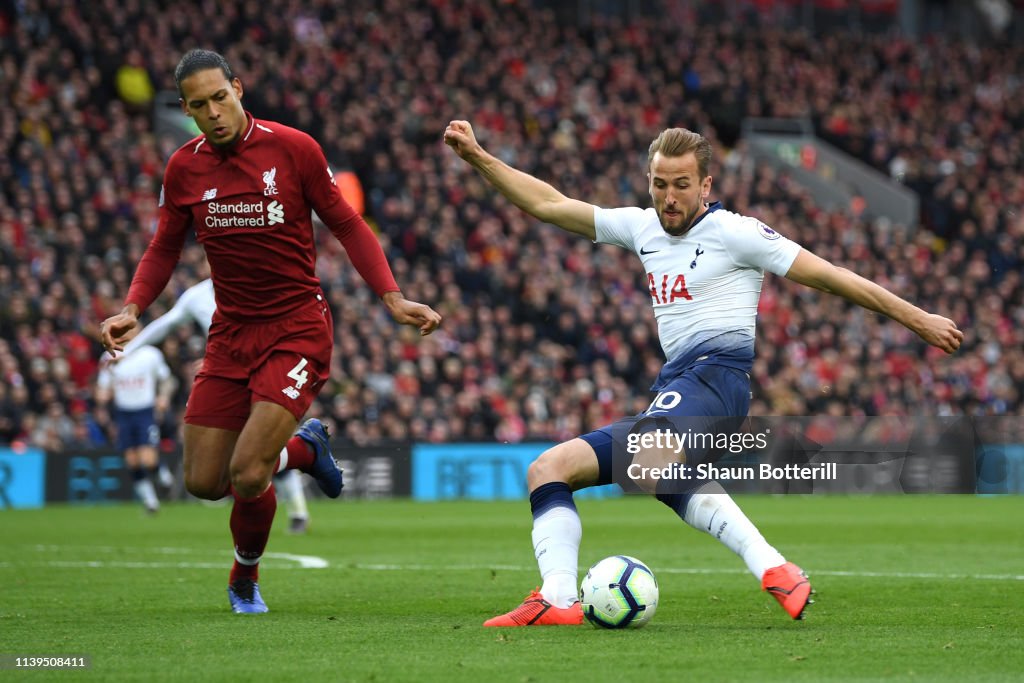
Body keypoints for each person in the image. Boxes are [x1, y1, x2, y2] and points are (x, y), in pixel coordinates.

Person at [443, 120, 963, 626]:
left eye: (681, 186)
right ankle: (558, 600)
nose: (668, 197)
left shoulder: (737, 233)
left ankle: (770, 564)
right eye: (659, 184)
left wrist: (916, 318)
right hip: (678, 386)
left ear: (706, 185)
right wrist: (479, 157)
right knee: (549, 470)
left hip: (718, 381)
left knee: (650, 461)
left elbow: (832, 277)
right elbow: (549, 204)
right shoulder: (641, 226)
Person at [100, 49, 442, 615]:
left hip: (297, 329)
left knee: (248, 472)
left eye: (220, 97)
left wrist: (393, 297)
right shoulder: (183, 168)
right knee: (204, 482)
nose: (213, 112)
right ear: (185, 110)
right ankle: (305, 450)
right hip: (230, 334)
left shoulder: (293, 148)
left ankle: (244, 579)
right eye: (198, 105)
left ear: (238, 88)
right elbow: (164, 245)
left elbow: (347, 223)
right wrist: (133, 306)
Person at [119, 275, 315, 534]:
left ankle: (298, 512)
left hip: (266, 375)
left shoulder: (259, 285)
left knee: (266, 443)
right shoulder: (196, 296)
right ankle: (300, 460)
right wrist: (128, 350)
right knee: (221, 467)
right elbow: (165, 324)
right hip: (225, 382)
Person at [95, 345, 176, 514]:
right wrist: (102, 398)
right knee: (132, 460)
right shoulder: (108, 356)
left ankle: (162, 475)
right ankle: (150, 502)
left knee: (147, 458)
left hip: (145, 411)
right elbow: (103, 387)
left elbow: (167, 380)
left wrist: (163, 396)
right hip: (123, 413)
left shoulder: (149, 353)